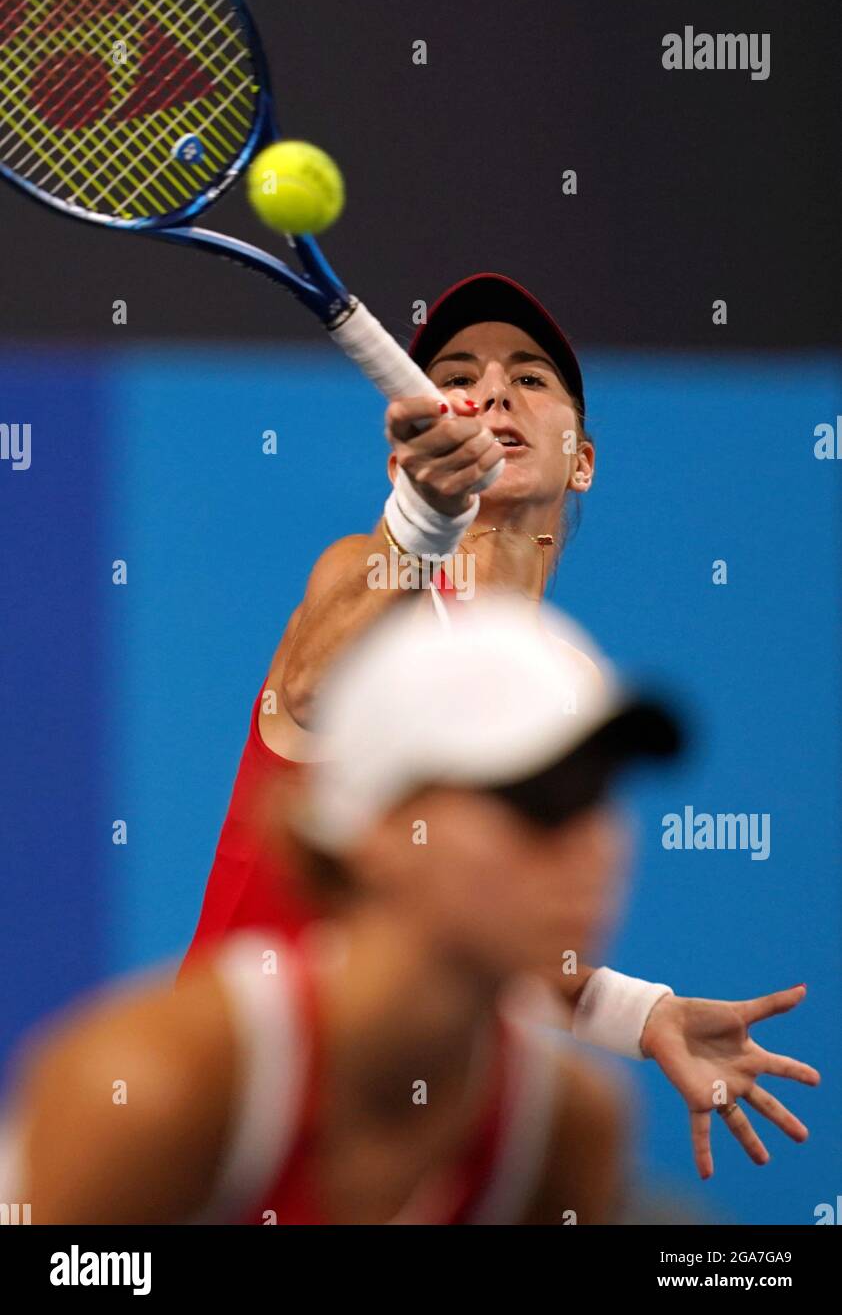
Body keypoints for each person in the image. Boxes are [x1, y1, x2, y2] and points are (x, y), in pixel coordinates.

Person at [182, 274, 819, 1179]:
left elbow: (486, 933)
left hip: (416, 1150)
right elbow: (321, 686)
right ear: (409, 455)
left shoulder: (571, 682)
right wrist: (424, 519)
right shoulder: (370, 579)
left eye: (530, 376)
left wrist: (645, 1015)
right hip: (236, 1124)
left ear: (583, 460)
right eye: (457, 374)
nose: (492, 390)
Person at [1, 601, 679, 1225]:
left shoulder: (568, 1130)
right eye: (538, 798)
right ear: (377, 830)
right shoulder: (153, 1086)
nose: (588, 847)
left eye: (600, 796)